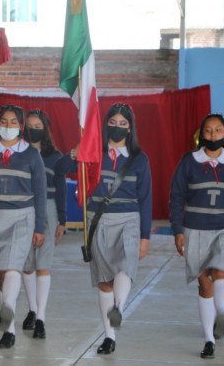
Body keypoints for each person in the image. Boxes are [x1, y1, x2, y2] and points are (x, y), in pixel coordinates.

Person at [54, 102, 152, 355]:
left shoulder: (140, 160)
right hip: (98, 220)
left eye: (123, 124)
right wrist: (75, 154)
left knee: (125, 267)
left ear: (130, 128)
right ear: (105, 124)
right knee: (105, 281)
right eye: (112, 123)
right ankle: (109, 336)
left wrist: (144, 237)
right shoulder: (92, 152)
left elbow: (146, 199)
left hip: (129, 218)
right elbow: (60, 168)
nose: (117, 128)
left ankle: (118, 307)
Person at [169, 113, 224, 360]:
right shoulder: (188, 162)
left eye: (218, 130)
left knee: (221, 272)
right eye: (208, 130)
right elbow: (176, 197)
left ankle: (223, 317)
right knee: (204, 283)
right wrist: (177, 230)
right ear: (201, 134)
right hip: (195, 227)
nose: (213, 135)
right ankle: (209, 340)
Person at [0, 104, 47, 349]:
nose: (9, 126)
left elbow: (40, 192)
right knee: (3, 273)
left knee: (13, 266)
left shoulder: (32, 154)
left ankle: (7, 317)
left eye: (14, 122)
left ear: (21, 126)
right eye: (4, 121)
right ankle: (9, 328)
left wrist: (40, 227)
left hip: (23, 216)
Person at [19, 109, 65, 340]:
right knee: (27, 265)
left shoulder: (55, 157)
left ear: (45, 129)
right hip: (24, 210)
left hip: (48, 209)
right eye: (30, 125)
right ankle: (32, 308)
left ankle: (41, 319)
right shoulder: (19, 153)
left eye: (38, 125)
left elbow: (62, 190)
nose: (33, 129)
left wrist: (62, 221)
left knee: (43, 264)